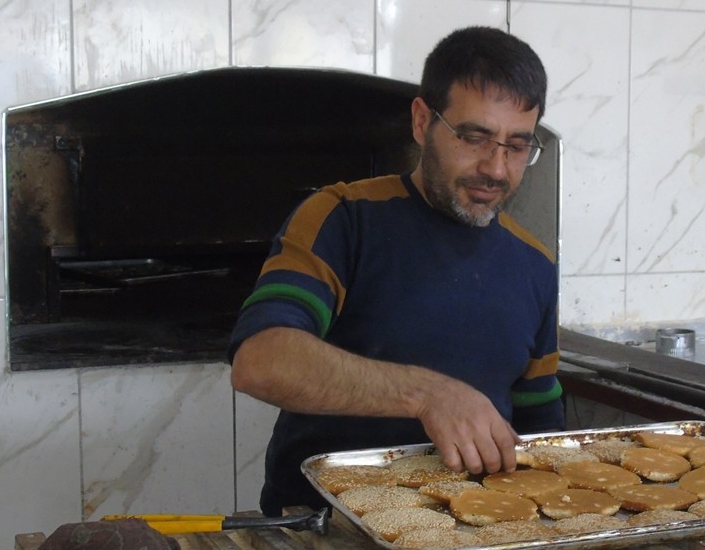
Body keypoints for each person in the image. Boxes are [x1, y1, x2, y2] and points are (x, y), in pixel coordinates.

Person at [229, 26, 565, 518]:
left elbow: (540, 421)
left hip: (481, 532)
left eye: (517, 146)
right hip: (328, 531)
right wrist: (428, 395)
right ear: (421, 120)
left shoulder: (533, 263)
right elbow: (260, 360)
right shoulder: (343, 218)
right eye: (474, 137)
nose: (496, 168)